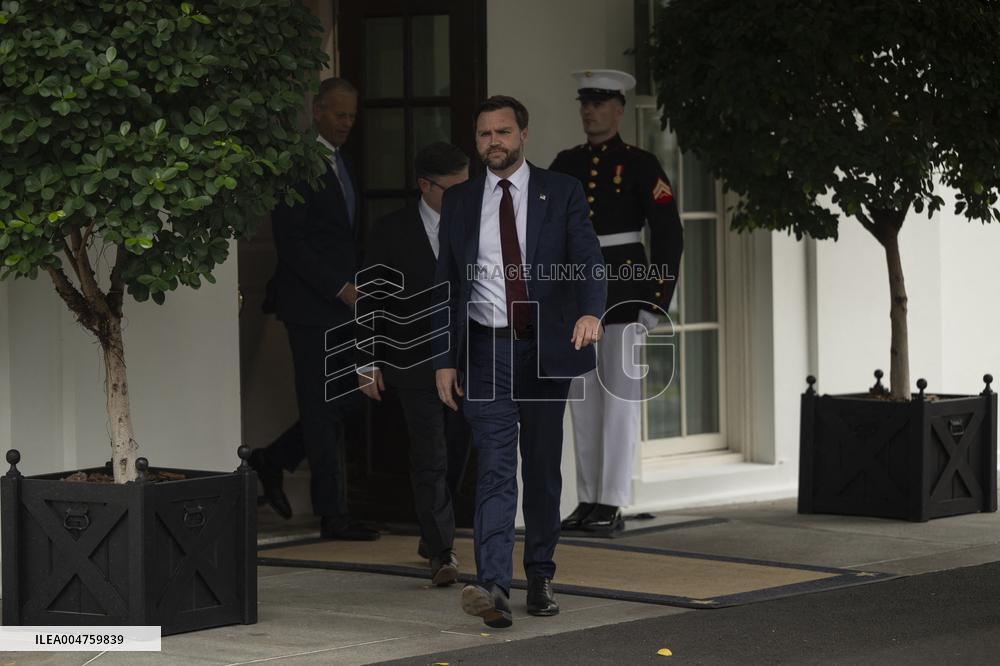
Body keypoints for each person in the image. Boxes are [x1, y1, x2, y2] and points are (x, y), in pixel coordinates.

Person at [433, 96, 607, 628]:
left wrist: (591, 314)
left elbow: (588, 259)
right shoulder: (460, 201)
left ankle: (539, 574)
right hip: (485, 348)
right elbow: (446, 286)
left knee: (541, 463)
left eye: (503, 132)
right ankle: (492, 586)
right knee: (495, 466)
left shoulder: (562, 191)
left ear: (523, 134)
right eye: (484, 134)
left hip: (543, 345)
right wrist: (445, 359)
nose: (494, 142)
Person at [549, 69, 683, 536]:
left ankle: (613, 500)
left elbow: (668, 233)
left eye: (600, 103)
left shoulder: (642, 164)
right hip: (575, 291)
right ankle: (588, 498)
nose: (590, 111)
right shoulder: (565, 162)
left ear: (620, 109)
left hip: (626, 290)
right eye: (585, 102)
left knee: (621, 400)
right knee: (582, 401)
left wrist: (657, 300)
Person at [249, 77, 379, 541]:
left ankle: (275, 458)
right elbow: (293, 243)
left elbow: (343, 239)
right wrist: (340, 287)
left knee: (344, 403)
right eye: (339, 114)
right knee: (325, 407)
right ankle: (333, 515)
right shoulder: (298, 166)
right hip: (310, 307)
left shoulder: (344, 164)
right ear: (318, 111)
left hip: (346, 306)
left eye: (352, 115)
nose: (347, 123)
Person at [356, 142, 473, 586]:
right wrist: (366, 358)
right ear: (425, 186)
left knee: (460, 450)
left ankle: (432, 529)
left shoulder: (478, 226)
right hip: (413, 360)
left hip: (467, 361)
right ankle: (442, 552)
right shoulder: (391, 230)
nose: (465, 196)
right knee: (431, 454)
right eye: (454, 188)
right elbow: (371, 296)